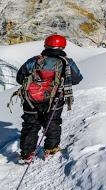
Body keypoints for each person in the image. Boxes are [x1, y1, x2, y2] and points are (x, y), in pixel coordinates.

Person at [15, 34, 83, 163]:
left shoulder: (34, 61)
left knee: (30, 125)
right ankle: (50, 149)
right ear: (63, 46)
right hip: (55, 100)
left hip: (31, 100)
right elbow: (77, 79)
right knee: (53, 123)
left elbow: (19, 78)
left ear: (46, 45)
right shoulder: (67, 63)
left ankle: (26, 154)